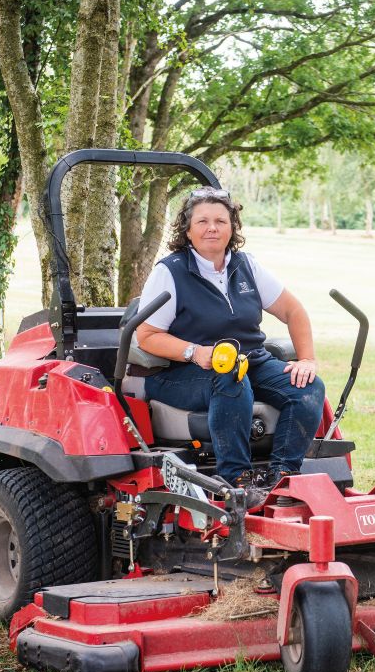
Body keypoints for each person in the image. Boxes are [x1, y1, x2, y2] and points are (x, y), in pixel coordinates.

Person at [134, 186, 324, 503]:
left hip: (250, 360)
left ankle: (282, 477)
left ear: (232, 227)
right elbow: (146, 335)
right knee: (232, 378)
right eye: (203, 221)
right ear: (187, 229)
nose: (212, 228)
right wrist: (195, 352)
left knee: (308, 388)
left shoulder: (246, 266)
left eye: (221, 221)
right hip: (178, 371)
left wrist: (307, 360)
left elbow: (294, 311)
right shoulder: (170, 272)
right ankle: (236, 478)